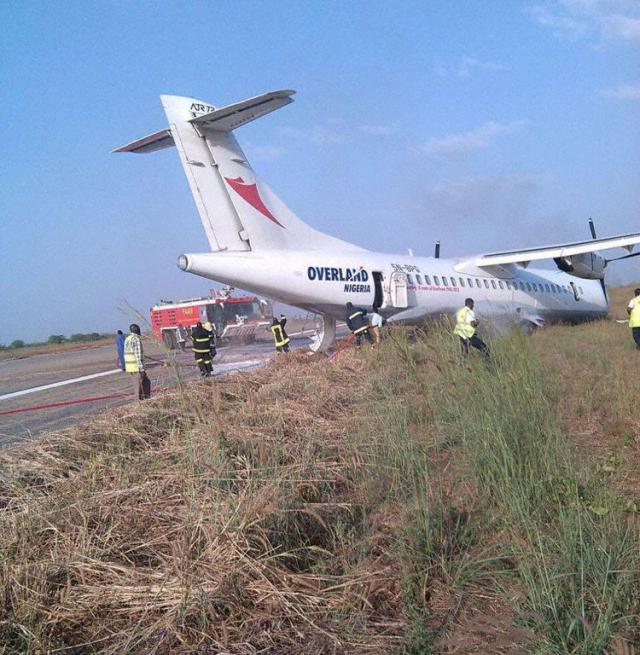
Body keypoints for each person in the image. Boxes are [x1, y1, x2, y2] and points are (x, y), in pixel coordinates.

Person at [124, 324, 151, 399]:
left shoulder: (127, 339)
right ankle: (142, 401)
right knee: (140, 386)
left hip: (130, 367)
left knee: (139, 384)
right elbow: (138, 355)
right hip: (136, 367)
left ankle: (143, 399)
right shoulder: (136, 339)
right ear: (137, 330)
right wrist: (142, 370)